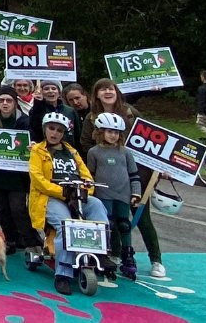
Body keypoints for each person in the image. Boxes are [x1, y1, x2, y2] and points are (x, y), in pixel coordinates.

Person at [80, 78, 166, 278]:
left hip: (135, 173)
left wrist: (160, 167)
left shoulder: (130, 112)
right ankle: (117, 254)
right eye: (102, 90)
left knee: (141, 216)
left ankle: (156, 260)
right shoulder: (91, 117)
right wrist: (101, 154)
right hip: (105, 175)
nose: (107, 92)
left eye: (110, 89)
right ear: (96, 95)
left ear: (116, 91)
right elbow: (84, 143)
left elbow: (151, 138)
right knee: (112, 219)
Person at [28, 111, 110, 296]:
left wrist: (84, 191)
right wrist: (64, 193)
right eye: (51, 128)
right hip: (50, 197)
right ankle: (63, 274)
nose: (55, 133)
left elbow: (87, 177)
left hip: (76, 196)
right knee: (66, 225)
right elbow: (38, 180)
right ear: (44, 129)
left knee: (97, 206)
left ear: (64, 133)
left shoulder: (72, 152)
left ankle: (101, 253)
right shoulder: (37, 151)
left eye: (59, 130)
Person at [0, 86, 36, 256]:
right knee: (2, 209)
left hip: (17, 177)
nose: (5, 103)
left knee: (18, 209)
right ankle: (10, 239)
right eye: (2, 100)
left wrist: (32, 146)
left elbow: (35, 140)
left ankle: (31, 241)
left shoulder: (25, 121)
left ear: (15, 103)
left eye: (9, 100)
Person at [87, 112, 141, 277]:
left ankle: (128, 257)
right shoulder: (94, 152)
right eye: (109, 131)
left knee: (124, 225)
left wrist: (136, 193)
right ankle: (105, 256)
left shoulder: (125, 152)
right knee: (107, 225)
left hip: (123, 194)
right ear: (100, 132)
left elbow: (134, 175)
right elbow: (90, 175)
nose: (113, 135)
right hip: (104, 194)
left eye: (116, 132)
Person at [29, 80, 81, 146]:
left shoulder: (70, 111)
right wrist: (38, 104)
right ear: (42, 92)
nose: (50, 91)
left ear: (59, 92)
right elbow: (35, 131)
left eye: (54, 88)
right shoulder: (36, 110)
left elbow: (77, 134)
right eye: (46, 89)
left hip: (68, 151)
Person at [198, 70, 206, 140]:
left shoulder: (202, 88)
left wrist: (201, 111)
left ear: (203, 77)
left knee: (200, 124)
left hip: (205, 111)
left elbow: (202, 101)